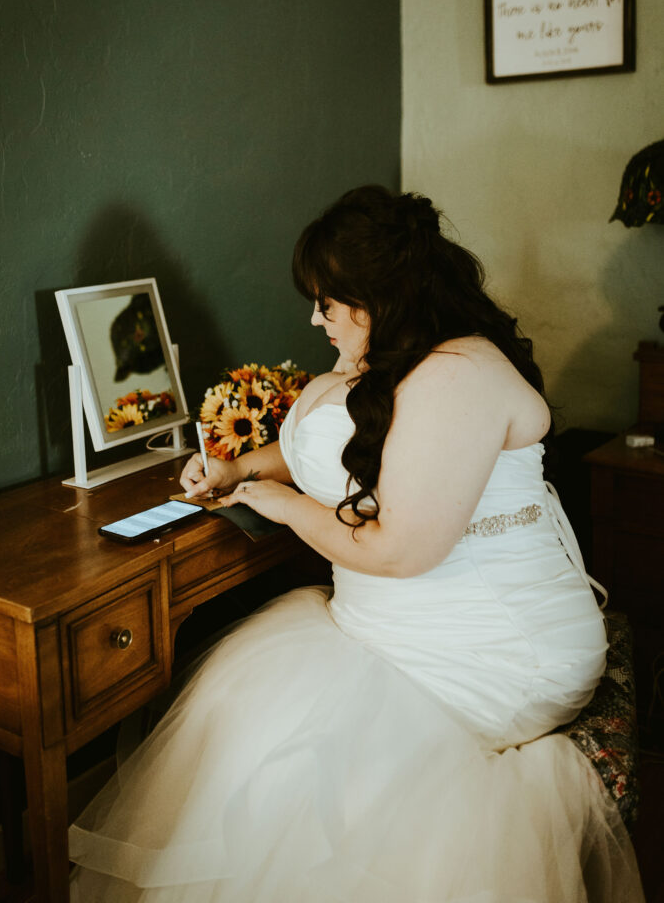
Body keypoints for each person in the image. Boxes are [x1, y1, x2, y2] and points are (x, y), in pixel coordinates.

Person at [69, 186, 643, 902]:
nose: (314, 317)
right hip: (381, 624)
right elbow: (337, 447)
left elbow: (399, 550)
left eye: (328, 303)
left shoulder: (457, 376)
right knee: (251, 740)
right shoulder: (387, 362)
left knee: (314, 782)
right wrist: (239, 468)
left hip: (493, 650)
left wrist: (280, 507)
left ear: (380, 297)